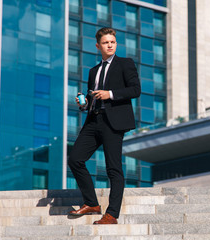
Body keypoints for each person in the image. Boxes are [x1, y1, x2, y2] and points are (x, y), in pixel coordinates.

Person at [68, 27, 141, 224]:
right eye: (106, 42)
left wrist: (111, 94)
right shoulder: (93, 71)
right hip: (93, 120)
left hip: (113, 122)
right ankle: (91, 203)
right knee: (74, 159)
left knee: (113, 169)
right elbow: (92, 97)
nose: (110, 45)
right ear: (98, 45)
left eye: (113, 42)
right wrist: (84, 104)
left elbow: (135, 89)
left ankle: (112, 214)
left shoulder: (125, 64)